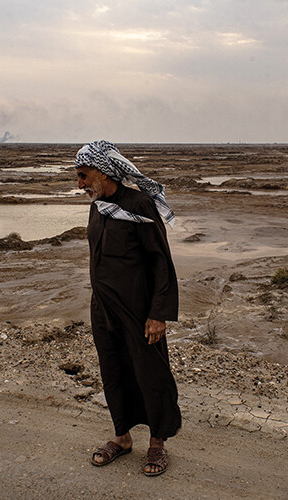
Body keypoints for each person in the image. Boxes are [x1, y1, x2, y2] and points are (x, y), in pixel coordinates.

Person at [74, 140, 181, 477]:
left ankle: (157, 443)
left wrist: (158, 313)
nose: (79, 184)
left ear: (104, 172)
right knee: (114, 372)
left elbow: (160, 262)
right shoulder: (97, 207)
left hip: (139, 313)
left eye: (83, 175)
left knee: (151, 375)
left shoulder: (140, 204)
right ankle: (122, 439)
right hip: (103, 310)